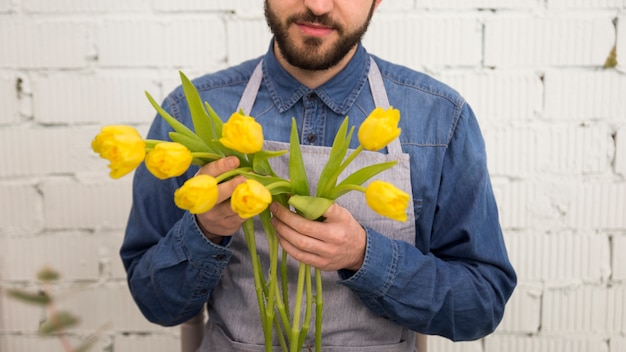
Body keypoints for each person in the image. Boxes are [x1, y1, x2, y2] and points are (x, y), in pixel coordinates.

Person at [120, 0, 517, 350]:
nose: (318, 5)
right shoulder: (191, 114)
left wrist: (366, 256)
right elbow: (154, 302)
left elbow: (480, 306)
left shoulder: (438, 119)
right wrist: (204, 230)